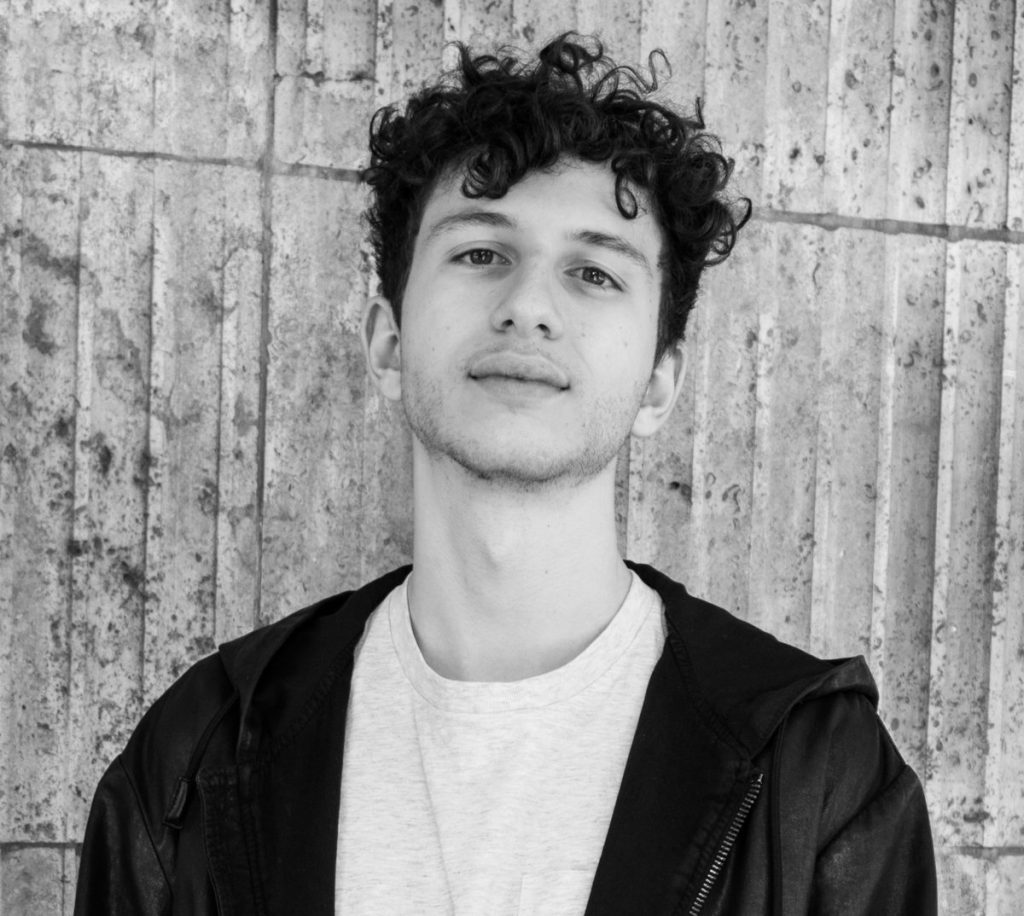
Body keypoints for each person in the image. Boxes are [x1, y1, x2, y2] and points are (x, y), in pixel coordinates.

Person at [74, 34, 936, 915]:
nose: (528, 306)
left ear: (659, 382)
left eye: (594, 272)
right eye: (482, 253)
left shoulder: (820, 778)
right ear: (388, 340)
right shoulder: (195, 757)